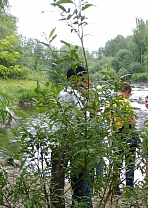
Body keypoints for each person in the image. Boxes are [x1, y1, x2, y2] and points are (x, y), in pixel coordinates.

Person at [57, 65, 93, 207]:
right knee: (82, 175)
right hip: (76, 139)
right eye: (83, 77)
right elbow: (84, 113)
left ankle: (77, 203)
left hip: (78, 138)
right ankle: (82, 203)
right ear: (73, 79)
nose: (85, 80)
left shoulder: (75, 93)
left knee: (79, 175)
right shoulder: (68, 93)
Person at [105, 82, 138, 194]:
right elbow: (132, 121)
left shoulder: (109, 102)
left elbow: (107, 117)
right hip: (126, 134)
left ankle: (116, 188)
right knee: (129, 162)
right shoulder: (126, 102)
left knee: (117, 162)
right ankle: (129, 188)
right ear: (128, 92)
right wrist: (134, 121)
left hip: (115, 134)